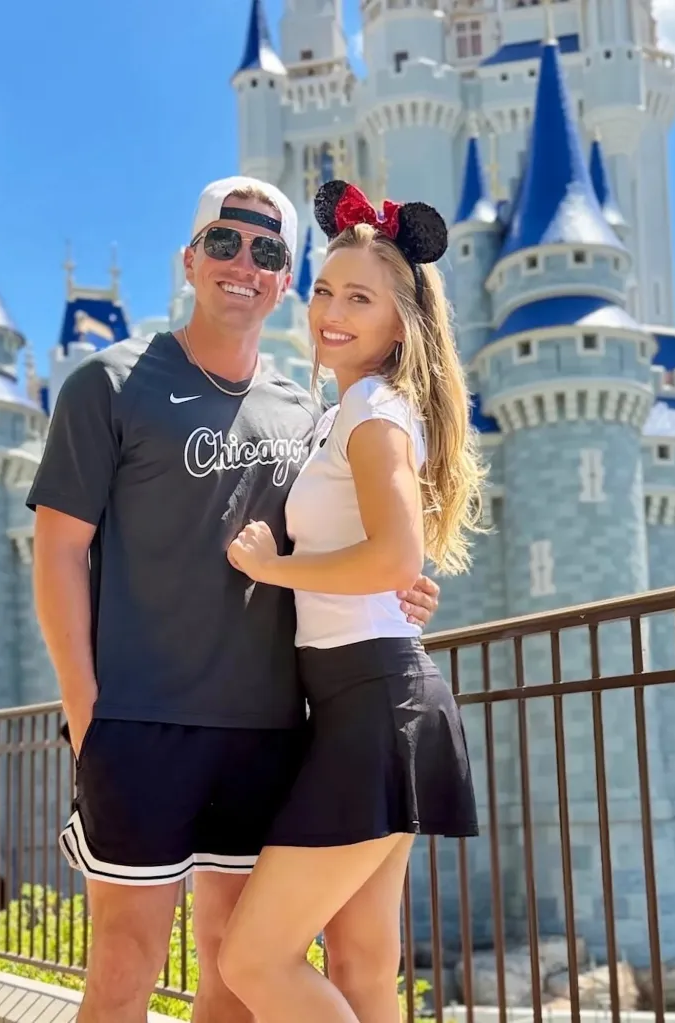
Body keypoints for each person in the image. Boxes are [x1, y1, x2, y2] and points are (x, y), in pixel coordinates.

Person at [27, 174, 442, 1023]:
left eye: (267, 252)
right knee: (123, 966)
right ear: (189, 258)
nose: (242, 264)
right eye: (224, 241)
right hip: (140, 723)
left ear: (283, 278)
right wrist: (85, 706)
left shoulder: (305, 410)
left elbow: (350, 537)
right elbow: (59, 551)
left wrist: (404, 584)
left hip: (268, 730)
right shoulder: (106, 385)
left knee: (234, 974)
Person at [217, 179, 485, 1023]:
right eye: (325, 290)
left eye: (358, 298)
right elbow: (388, 561)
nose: (330, 311)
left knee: (252, 960)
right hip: (372, 696)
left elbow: (394, 554)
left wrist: (271, 569)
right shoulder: (356, 410)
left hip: (372, 702)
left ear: (399, 324)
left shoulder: (371, 407)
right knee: (364, 966)